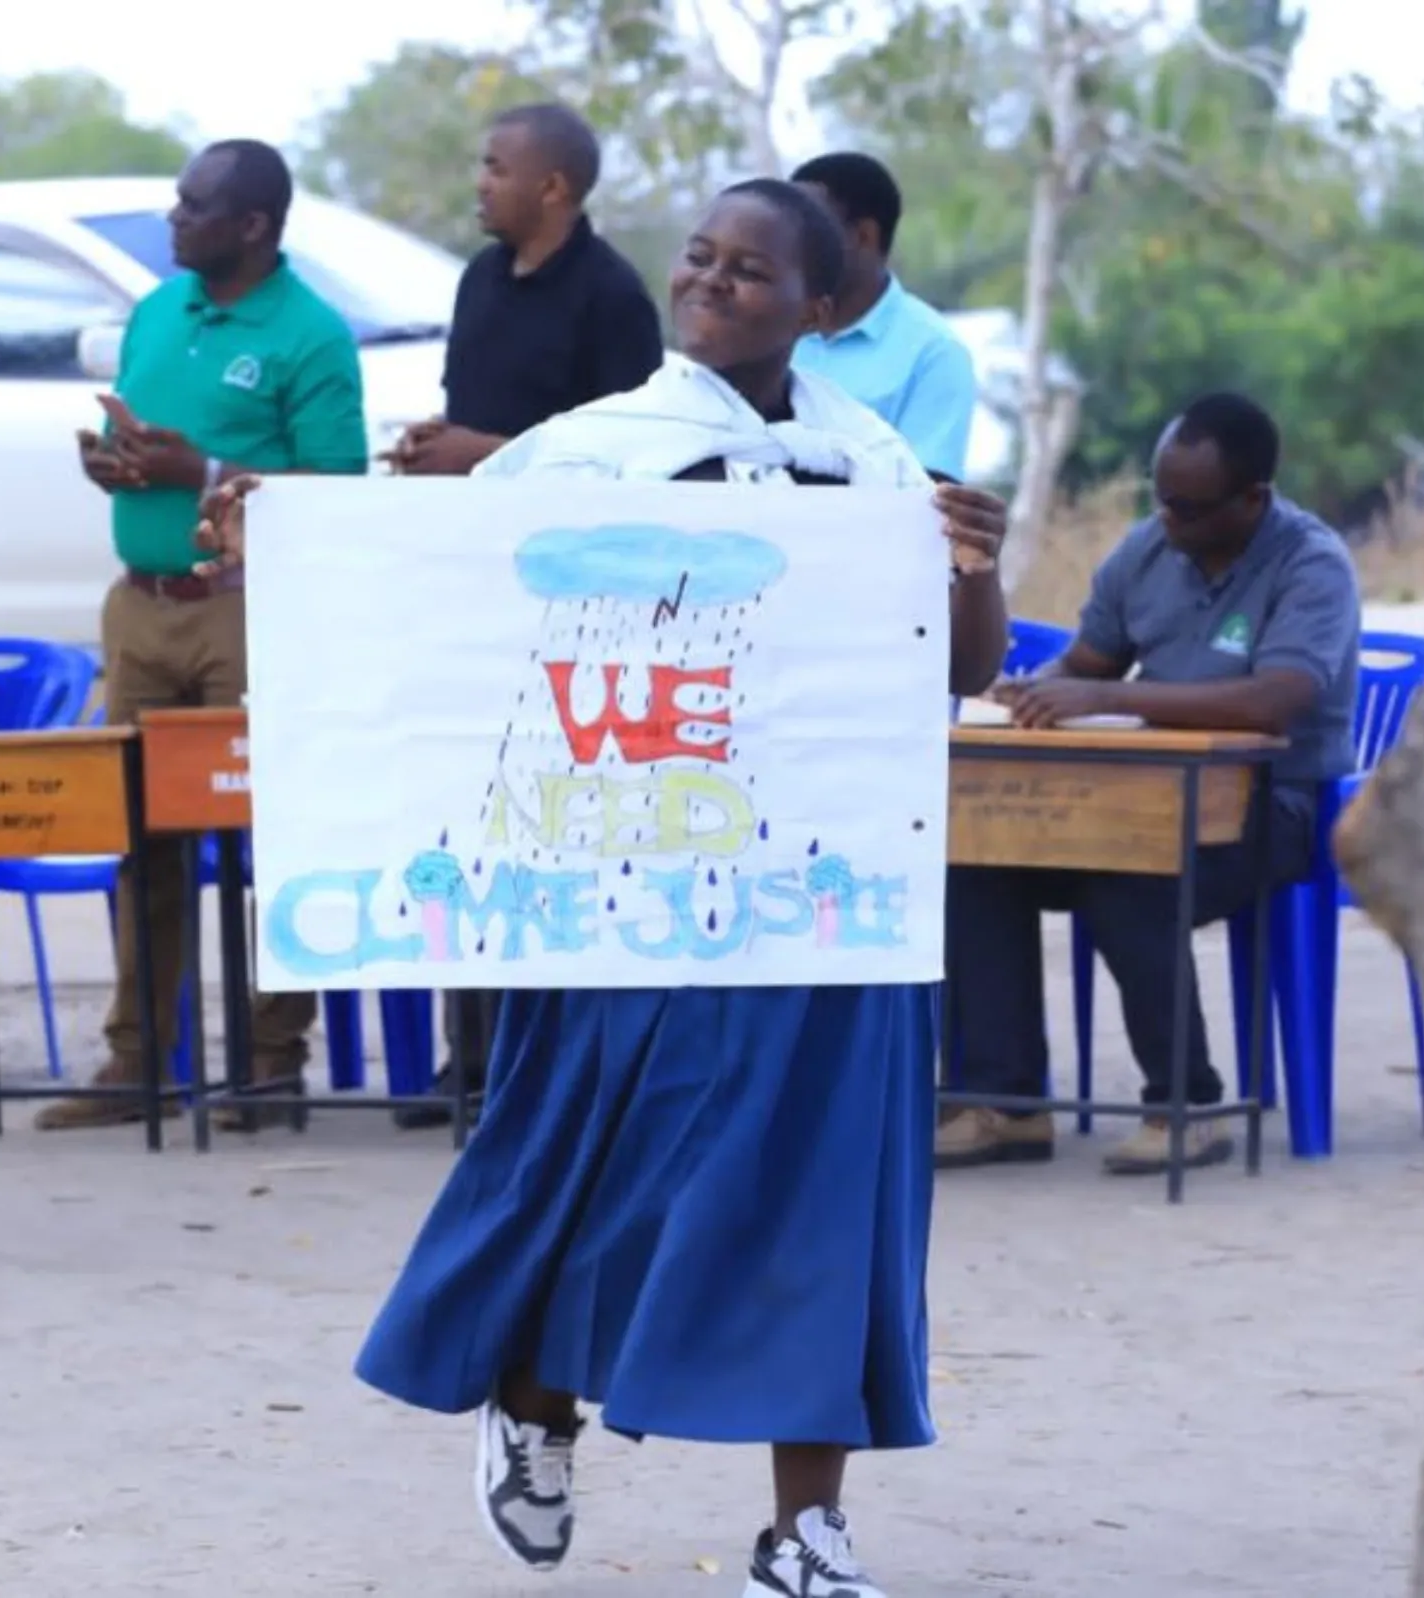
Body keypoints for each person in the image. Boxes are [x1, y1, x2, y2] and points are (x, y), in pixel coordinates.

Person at [196, 179, 1012, 1598]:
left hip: (824, 902)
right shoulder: (583, 456)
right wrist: (281, 541)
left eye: (754, 271)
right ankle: (536, 1404)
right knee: (610, 1179)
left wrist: (976, 570)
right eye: (700, 256)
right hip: (627, 899)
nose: (714, 281)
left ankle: (804, 1531)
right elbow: (437, 602)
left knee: (829, 1202)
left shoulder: (879, 469)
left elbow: (958, 669)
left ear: (820, 309)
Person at [937, 392, 1362, 1177]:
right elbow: (1088, 663)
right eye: (1161, 500)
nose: (1171, 521)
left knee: (1130, 873)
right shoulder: (1147, 549)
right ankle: (1005, 1103)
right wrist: (1041, 696)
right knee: (977, 861)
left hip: (1275, 806)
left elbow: (1278, 697)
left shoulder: (1312, 565)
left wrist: (1108, 698)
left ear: (1253, 500)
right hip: (1139, 795)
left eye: (1192, 509)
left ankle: (1188, 1105)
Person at [36, 139, 368, 1135]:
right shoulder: (156, 310)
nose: (174, 220)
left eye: (193, 206)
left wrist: (208, 471)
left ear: (254, 226)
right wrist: (117, 467)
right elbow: (156, 448)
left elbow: (342, 489)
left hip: (245, 607)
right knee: (143, 836)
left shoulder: (310, 334)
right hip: (140, 608)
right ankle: (139, 1058)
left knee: (272, 836)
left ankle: (271, 1064)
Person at [385, 100, 666, 1131]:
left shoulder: (615, 298)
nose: (479, 182)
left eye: (496, 167)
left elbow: (631, 456)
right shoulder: (476, 280)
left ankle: (554, 1073)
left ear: (555, 187)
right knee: (474, 820)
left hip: (578, 598)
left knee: (558, 830)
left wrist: (488, 449)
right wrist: (442, 444)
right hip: (476, 586)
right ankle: (476, 1059)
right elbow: (475, 420)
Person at [790, 153, 978, 481]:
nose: (791, 244)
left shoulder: (934, 353)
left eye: (808, 229)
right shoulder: (770, 327)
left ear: (863, 236)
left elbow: (927, 502)